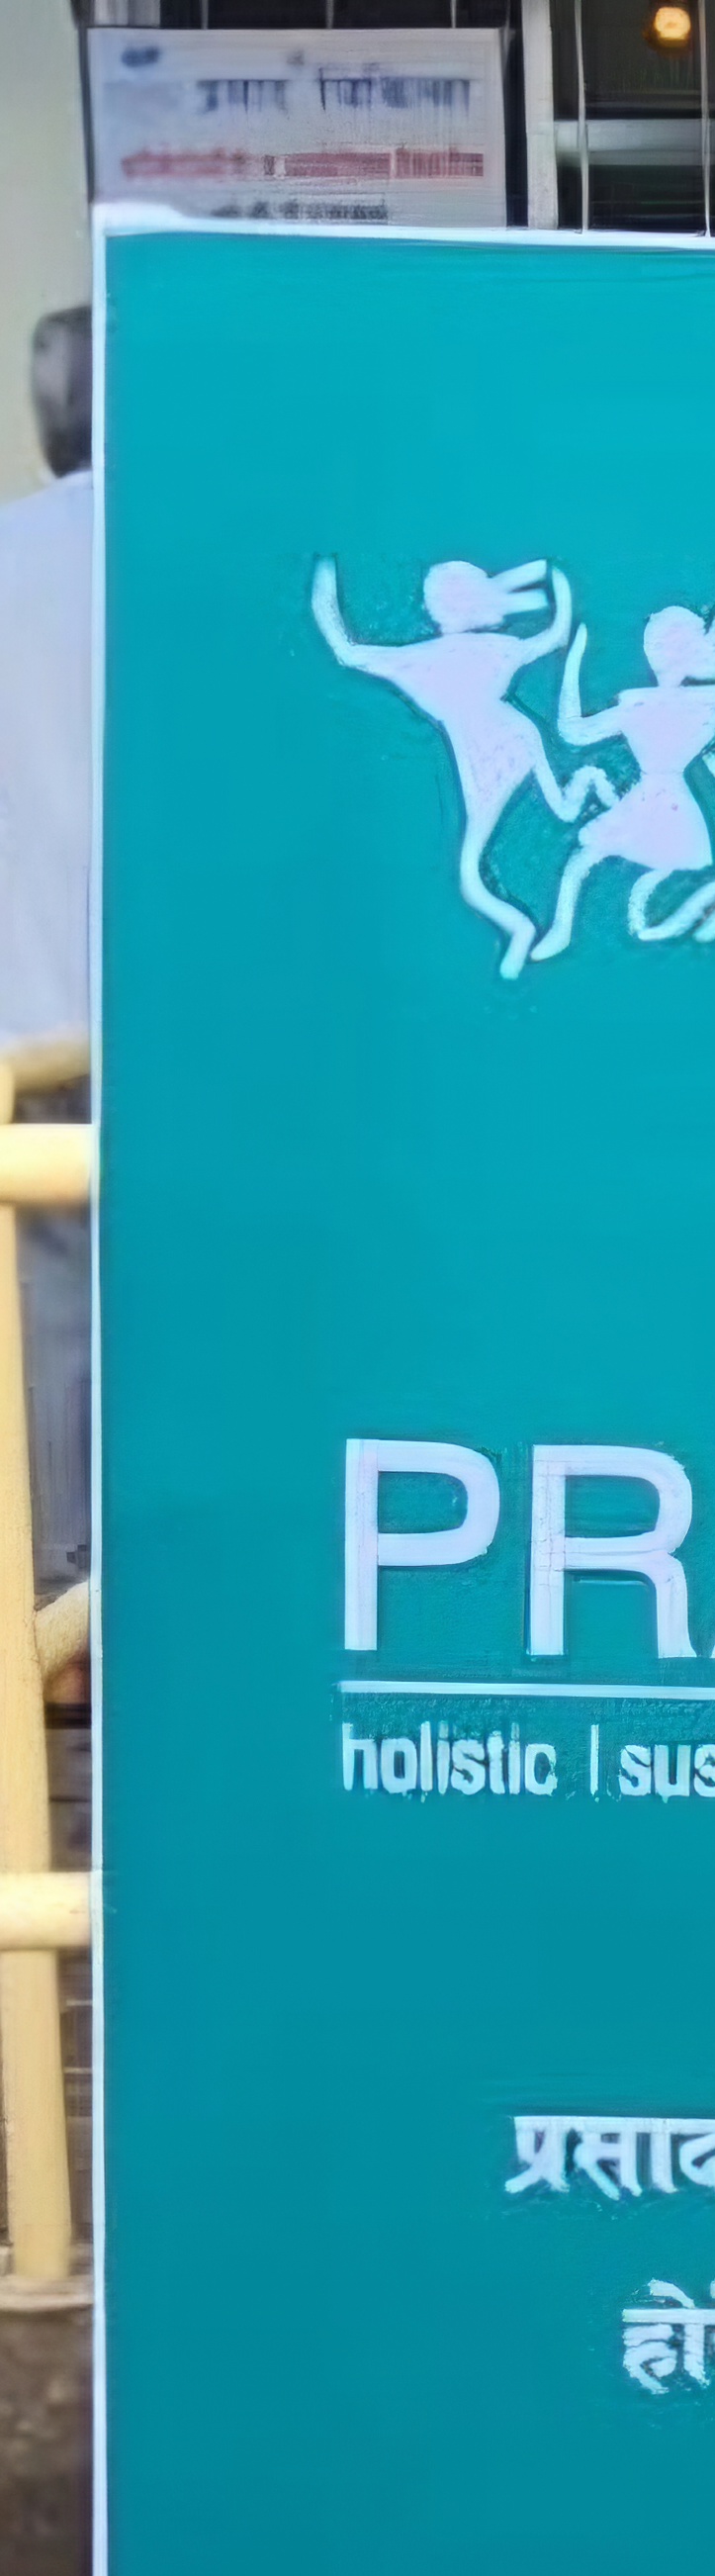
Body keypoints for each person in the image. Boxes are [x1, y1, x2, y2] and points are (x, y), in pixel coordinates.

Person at [0, 306, 92, 1651]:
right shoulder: (203, 554)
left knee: (54, 1322)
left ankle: (64, 1632)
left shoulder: (7, 559)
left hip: (30, 1015)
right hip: (192, 1017)